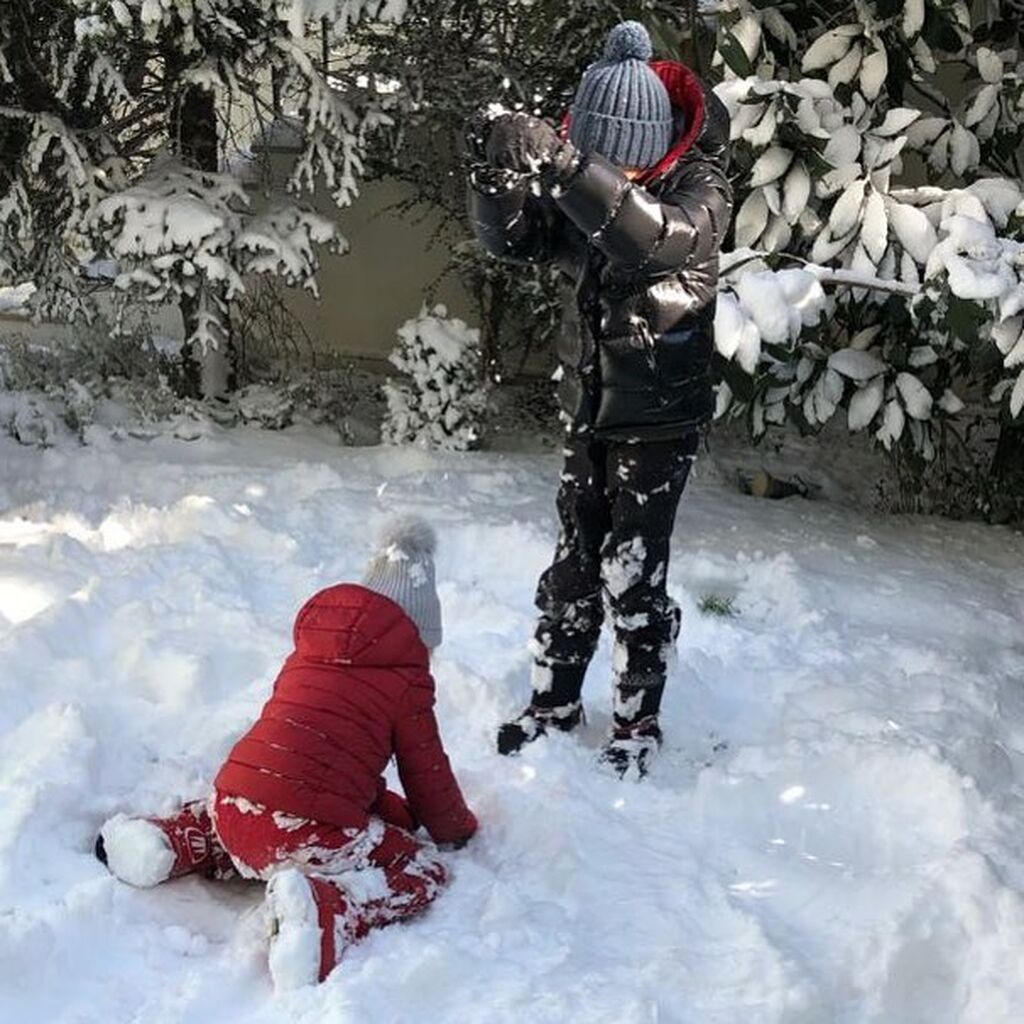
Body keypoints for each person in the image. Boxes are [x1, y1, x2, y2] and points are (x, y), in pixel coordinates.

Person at [466, 21, 733, 777]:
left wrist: (570, 164)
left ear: (647, 145)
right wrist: (496, 170)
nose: (605, 165)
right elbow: (514, 241)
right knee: (574, 564)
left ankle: (637, 722)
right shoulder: (592, 194)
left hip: (657, 420)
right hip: (586, 409)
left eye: (614, 153)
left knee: (633, 569)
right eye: (593, 150)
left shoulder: (700, 191)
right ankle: (553, 703)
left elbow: (650, 240)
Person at [95, 518, 477, 990]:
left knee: (247, 823)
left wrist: (388, 809)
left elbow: (319, 761)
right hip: (302, 829)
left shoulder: (308, 654)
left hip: (233, 799)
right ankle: (331, 910)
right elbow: (427, 775)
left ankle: (174, 840)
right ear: (419, 636)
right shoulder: (406, 679)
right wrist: (454, 831)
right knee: (421, 868)